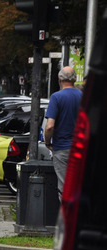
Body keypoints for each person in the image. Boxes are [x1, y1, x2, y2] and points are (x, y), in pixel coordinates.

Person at [44, 66, 83, 199]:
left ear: (59, 79)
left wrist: (47, 142)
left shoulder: (56, 97)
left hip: (62, 148)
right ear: (75, 79)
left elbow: (49, 127)